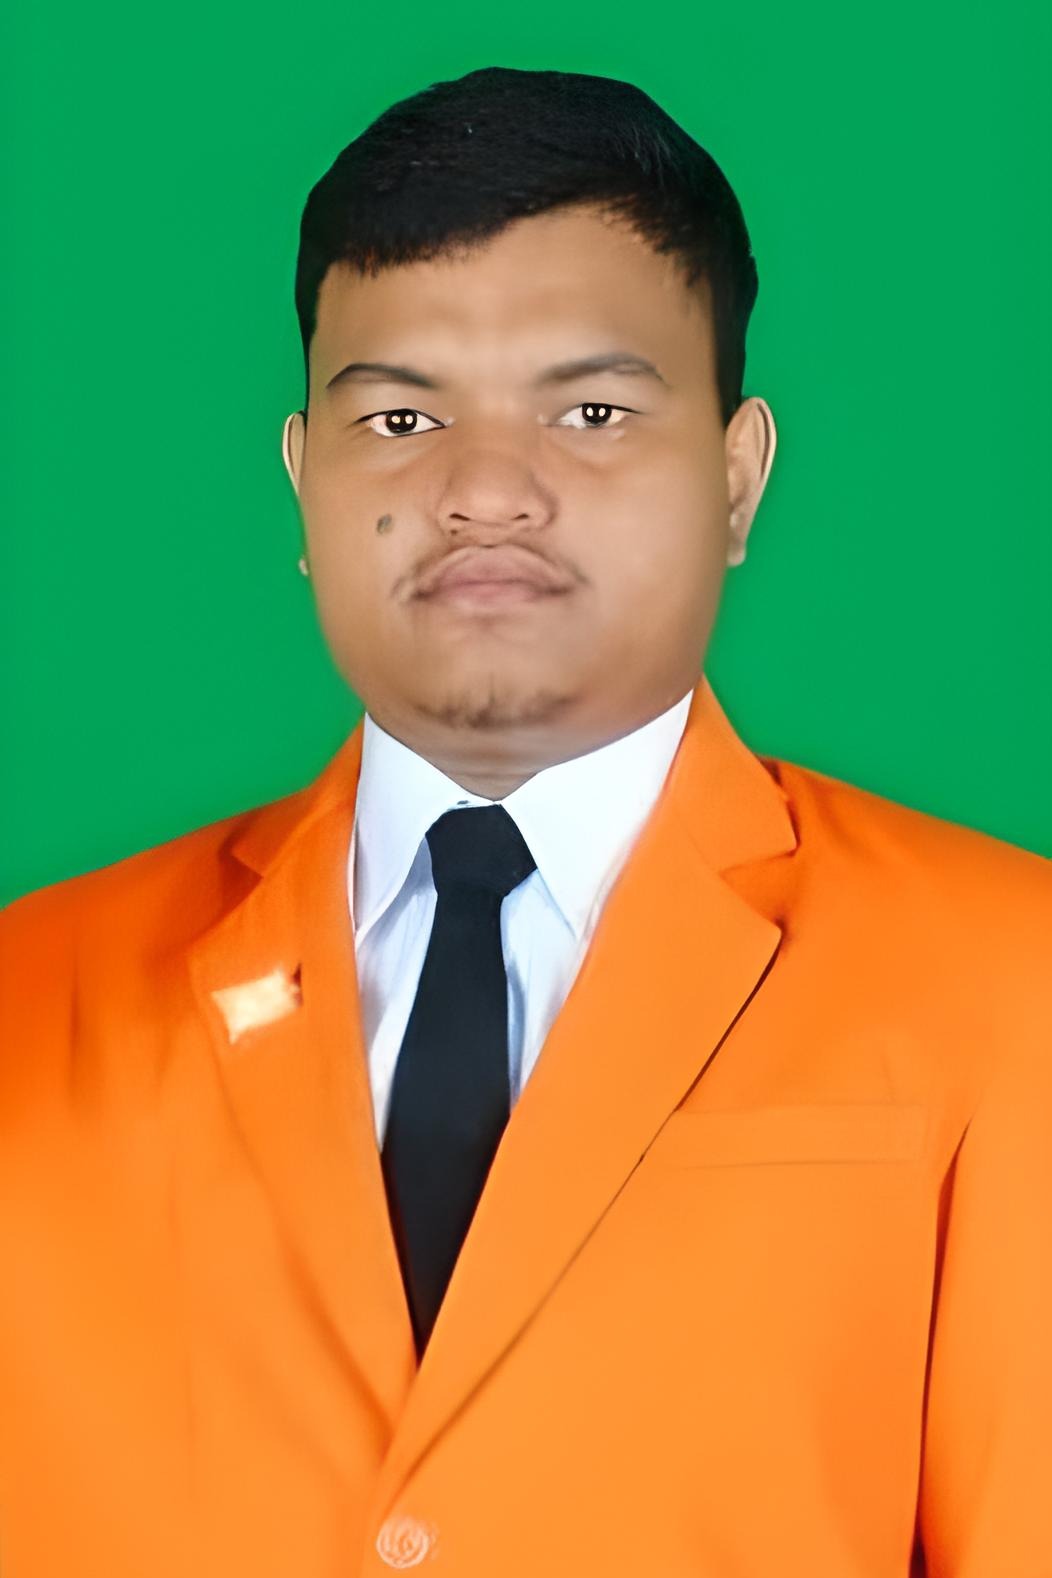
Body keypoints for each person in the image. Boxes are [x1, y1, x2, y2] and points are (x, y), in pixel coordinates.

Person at [1, 64, 1049, 1578]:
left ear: (738, 478)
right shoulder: (33, 994)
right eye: (402, 414)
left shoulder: (1011, 980)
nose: (487, 491)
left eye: (594, 410)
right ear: (302, 483)